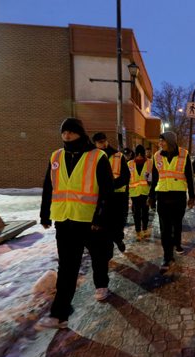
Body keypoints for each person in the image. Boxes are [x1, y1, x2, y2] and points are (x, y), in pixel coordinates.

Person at [37, 118, 114, 330]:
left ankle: (101, 284)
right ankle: (59, 315)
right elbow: (48, 187)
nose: (67, 136)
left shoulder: (97, 156)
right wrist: (45, 214)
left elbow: (107, 191)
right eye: (64, 132)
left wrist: (100, 218)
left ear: (80, 133)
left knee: (99, 255)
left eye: (71, 132)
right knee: (67, 267)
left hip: (90, 222)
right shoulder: (56, 156)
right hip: (64, 220)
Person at [147, 131, 195, 273]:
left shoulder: (184, 154)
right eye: (159, 141)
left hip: (178, 196)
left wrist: (192, 196)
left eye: (163, 141)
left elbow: (189, 176)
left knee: (177, 224)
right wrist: (151, 196)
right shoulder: (157, 156)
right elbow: (155, 178)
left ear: (170, 141)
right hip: (162, 196)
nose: (160, 144)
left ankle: (177, 243)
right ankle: (167, 257)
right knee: (165, 229)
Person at [92, 132, 130, 252]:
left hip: (118, 195)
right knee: (104, 222)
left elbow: (126, 176)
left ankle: (118, 239)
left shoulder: (118, 156)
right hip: (101, 196)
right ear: (95, 144)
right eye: (100, 142)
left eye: (104, 141)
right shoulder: (92, 157)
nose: (103, 144)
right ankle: (108, 245)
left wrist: (110, 186)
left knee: (119, 221)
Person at [128, 144, 153, 241]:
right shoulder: (129, 164)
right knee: (136, 213)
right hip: (134, 193)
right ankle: (138, 231)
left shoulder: (150, 162)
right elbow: (127, 178)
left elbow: (153, 177)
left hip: (145, 192)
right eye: (137, 153)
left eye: (141, 153)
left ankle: (145, 229)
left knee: (145, 212)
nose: (139, 156)